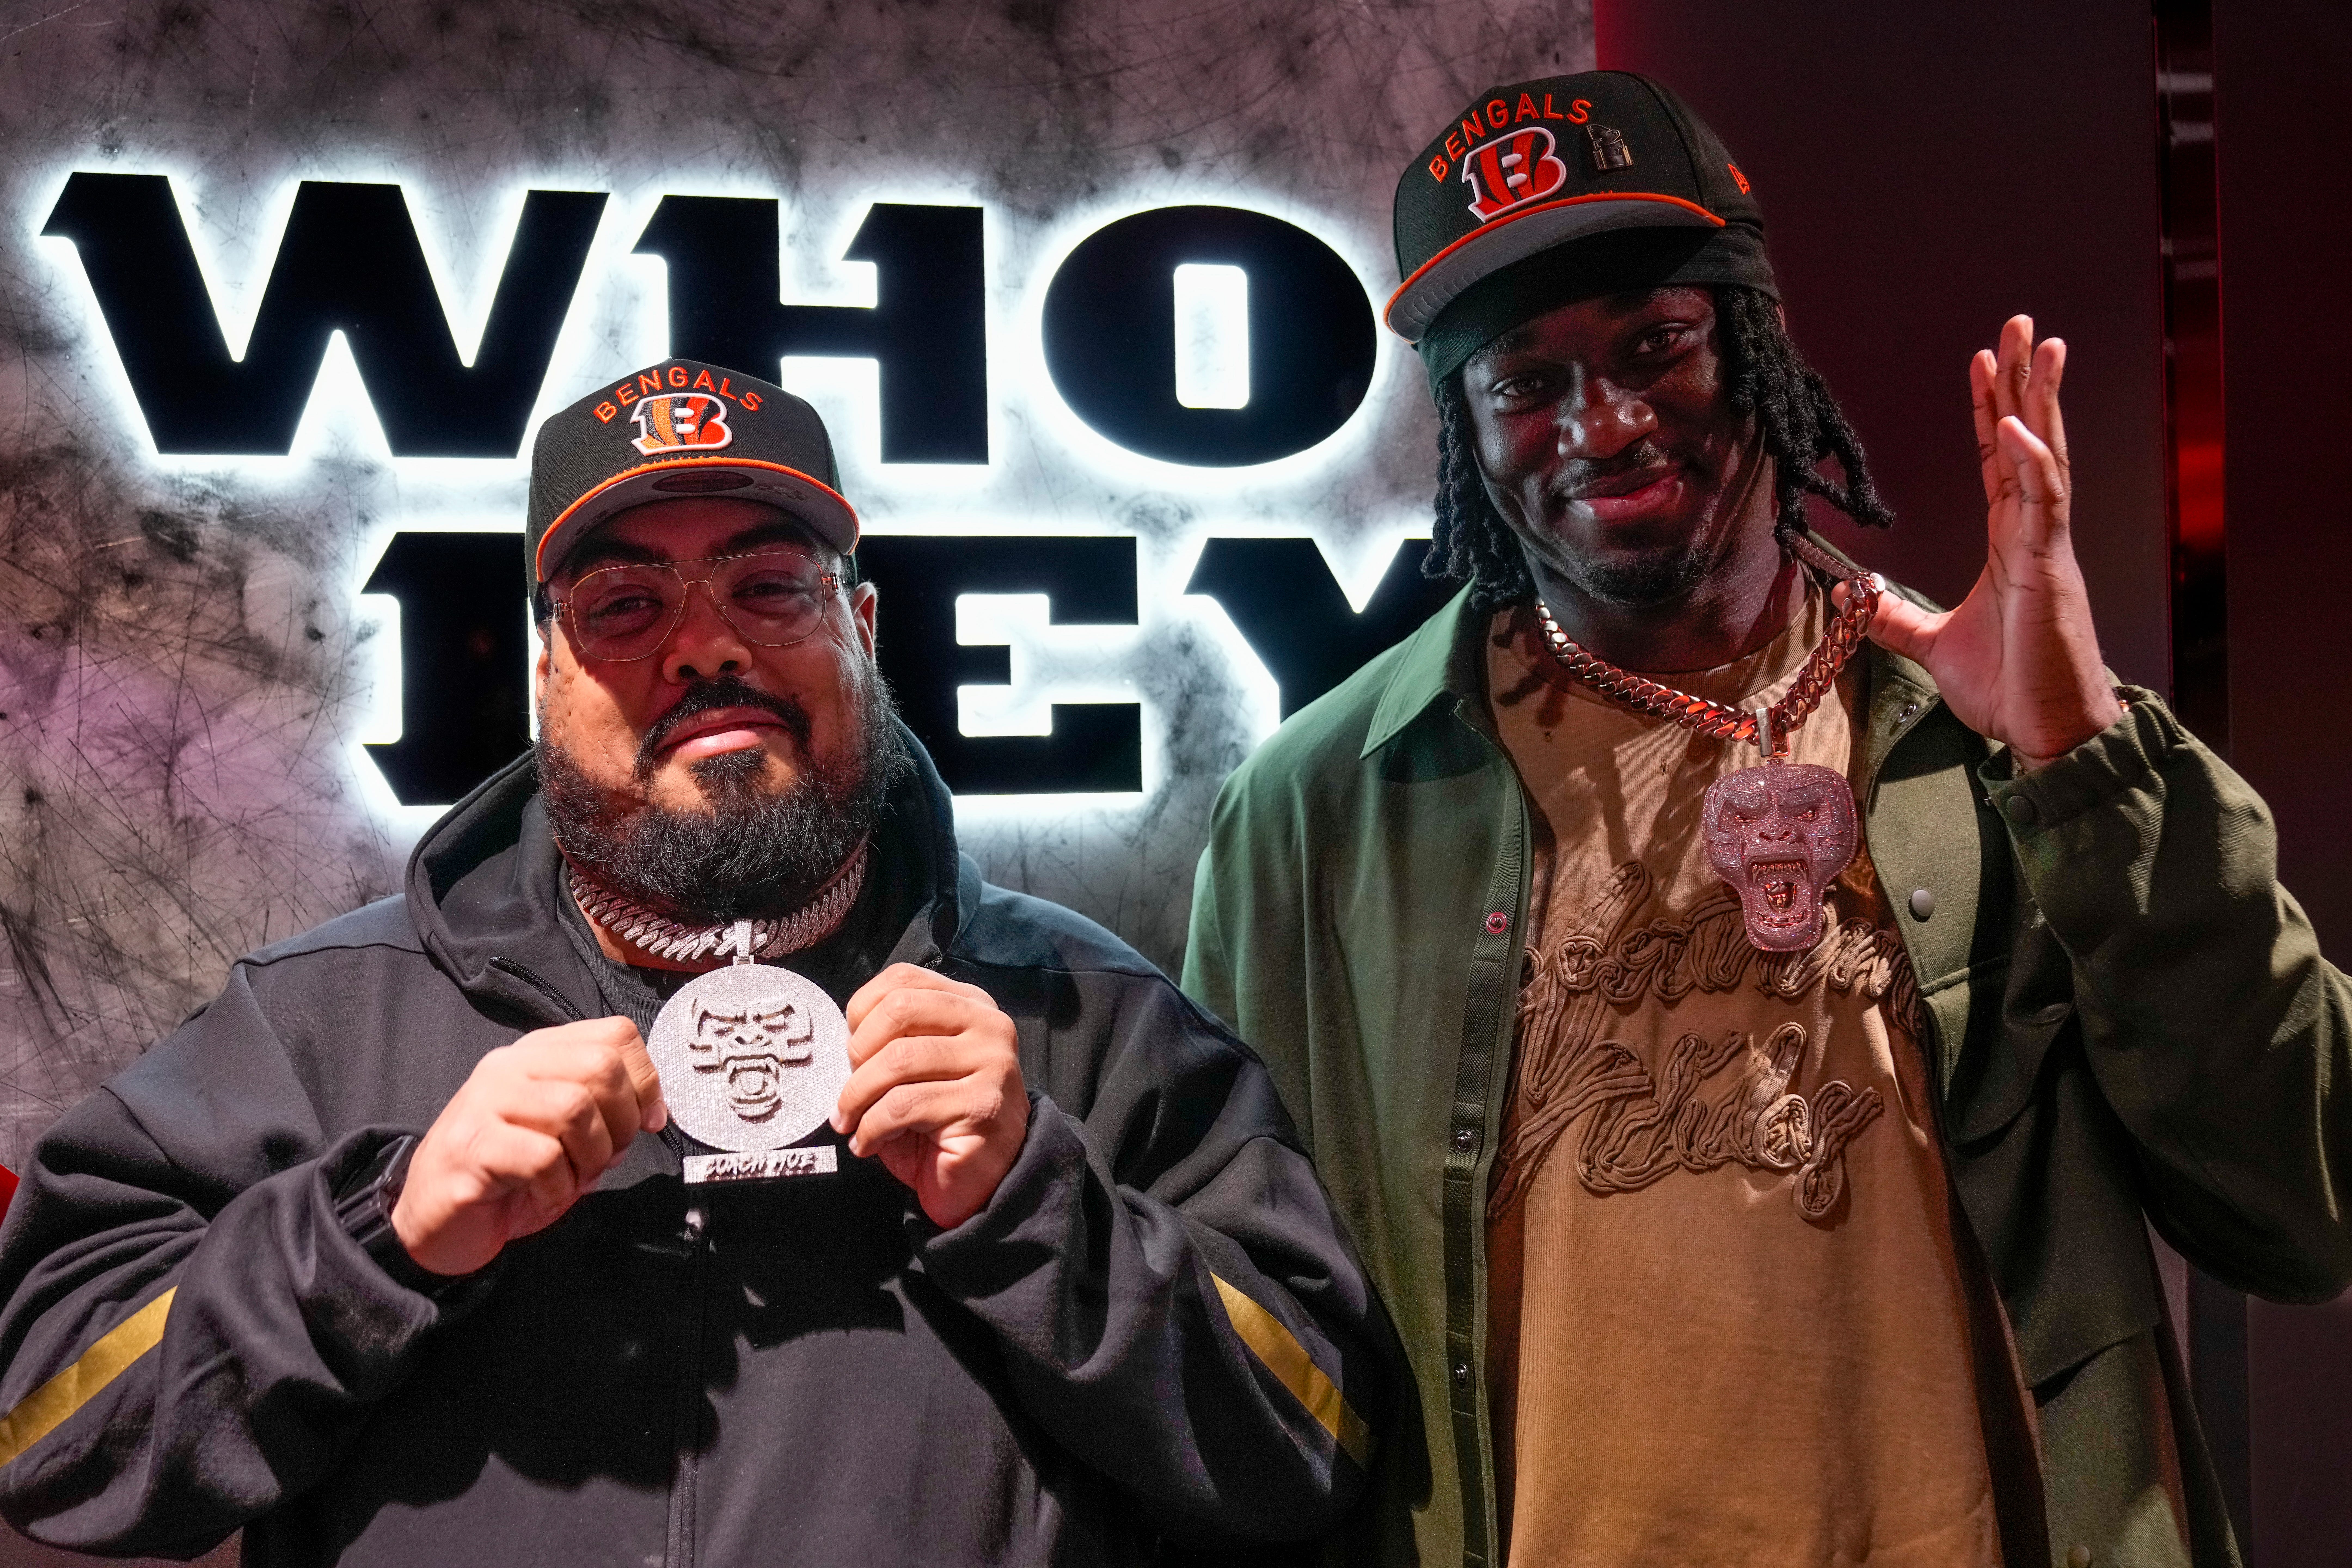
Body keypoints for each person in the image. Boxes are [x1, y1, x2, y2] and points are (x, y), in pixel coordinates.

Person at [1183, 70, 2352, 1568]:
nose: (1600, 425)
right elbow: (1254, 1335)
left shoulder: (1993, 738)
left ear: (1758, 341)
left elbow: (2300, 1205)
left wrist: (2083, 757)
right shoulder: (1319, 815)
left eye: (1657, 346)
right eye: (1523, 383)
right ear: (1465, 431)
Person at [0, 360, 1396, 1566]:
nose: (707, 647)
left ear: (860, 628)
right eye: (624, 607)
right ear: (547, 669)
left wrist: (1040, 1208)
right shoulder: (317, 1024)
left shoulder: (1089, 1018)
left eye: (768, 585)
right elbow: (52, 1432)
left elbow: (1313, 1443)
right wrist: (381, 1234)